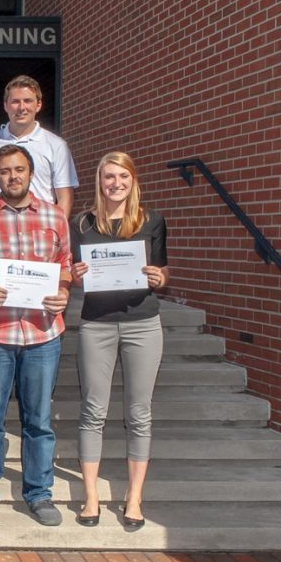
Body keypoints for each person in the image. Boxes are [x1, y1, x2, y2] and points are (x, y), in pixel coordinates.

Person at [0, 144, 72, 528]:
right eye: (5, 171)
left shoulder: (54, 215)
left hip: (43, 333)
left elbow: (64, 264)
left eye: (19, 169)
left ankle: (39, 493)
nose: (13, 176)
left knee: (39, 419)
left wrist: (63, 291)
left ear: (31, 173)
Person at [70, 151, 169, 531]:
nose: (116, 184)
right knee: (93, 411)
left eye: (123, 177)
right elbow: (77, 274)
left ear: (133, 180)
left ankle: (134, 498)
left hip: (143, 322)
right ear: (100, 181)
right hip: (97, 323)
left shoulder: (152, 220)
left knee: (138, 413)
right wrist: (76, 275)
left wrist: (160, 278)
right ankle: (91, 496)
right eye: (109, 177)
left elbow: (162, 270)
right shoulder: (82, 222)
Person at [0, 75, 78, 218]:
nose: (22, 108)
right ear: (5, 105)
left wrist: (56, 228)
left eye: (28, 101)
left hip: (40, 228)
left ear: (38, 105)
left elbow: (65, 197)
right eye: (15, 102)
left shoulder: (56, 145)